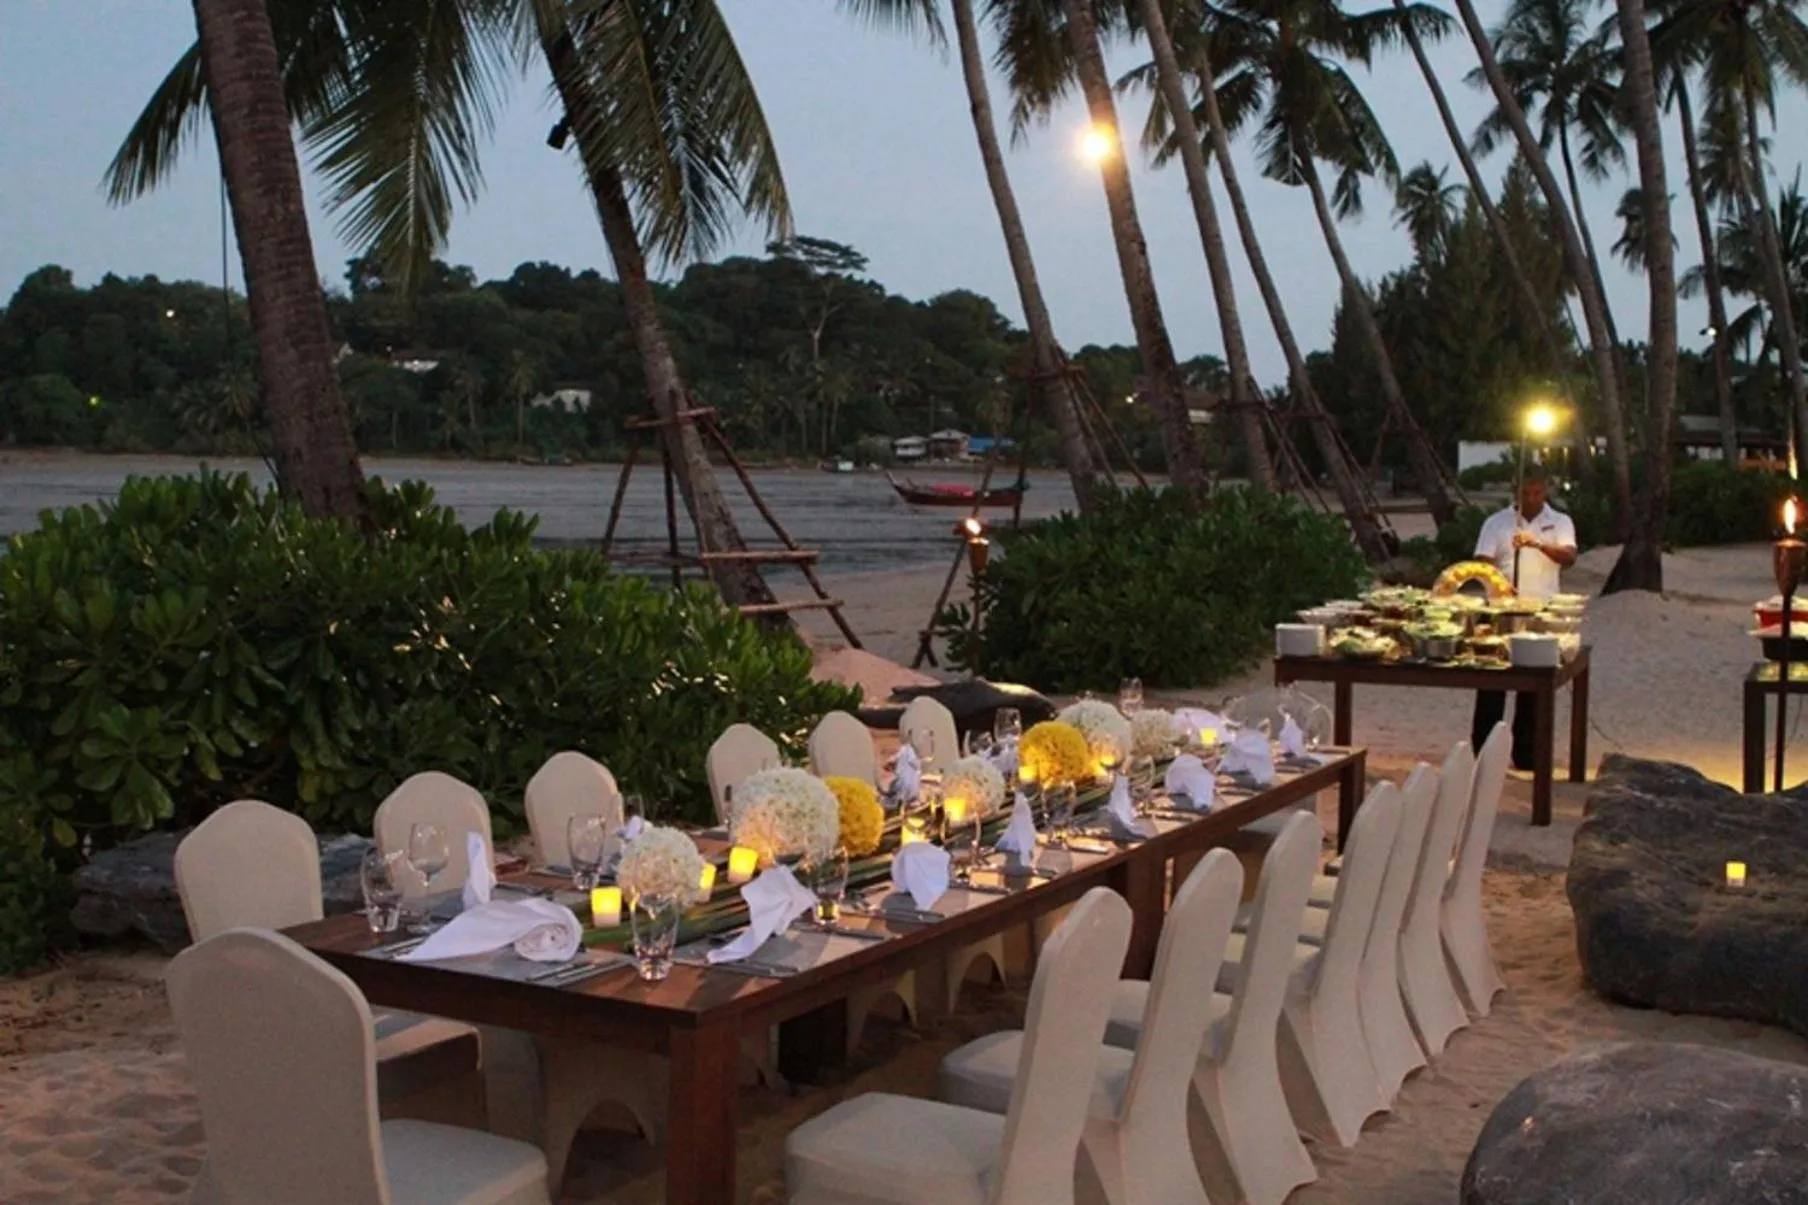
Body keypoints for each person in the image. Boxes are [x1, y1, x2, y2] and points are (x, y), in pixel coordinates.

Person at [1471, 464, 1577, 770]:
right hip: (1500, 611)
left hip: (1542, 611)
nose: (1531, 499)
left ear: (1546, 489)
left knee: (1533, 687)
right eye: (1525, 493)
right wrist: (1500, 585)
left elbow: (1569, 557)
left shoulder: (1560, 522)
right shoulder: (1496, 523)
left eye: (1537, 492)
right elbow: (1482, 562)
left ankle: (1528, 755)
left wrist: (1538, 544)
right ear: (1515, 490)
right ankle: (1486, 756)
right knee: (1493, 686)